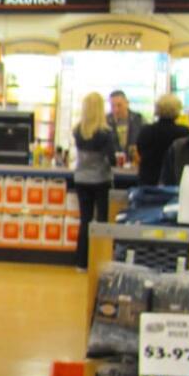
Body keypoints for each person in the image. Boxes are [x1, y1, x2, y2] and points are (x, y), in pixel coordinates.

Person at [74, 92, 117, 269]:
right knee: (102, 220)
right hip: (101, 180)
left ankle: (81, 262)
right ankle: (99, 259)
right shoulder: (105, 133)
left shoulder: (78, 130)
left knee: (85, 220)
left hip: (81, 179)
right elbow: (112, 159)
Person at [135, 93, 189, 186]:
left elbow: (140, 152)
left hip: (148, 181)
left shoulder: (146, 130)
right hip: (173, 182)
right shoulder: (184, 132)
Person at [107, 90, 144, 163]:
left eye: (119, 105)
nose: (116, 109)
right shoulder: (106, 122)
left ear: (127, 103)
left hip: (133, 164)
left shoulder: (138, 120)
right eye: (112, 106)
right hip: (112, 166)